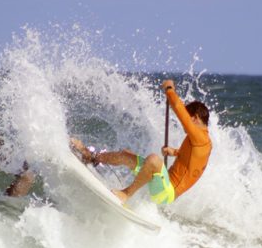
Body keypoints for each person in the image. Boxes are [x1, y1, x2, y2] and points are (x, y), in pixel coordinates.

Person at [71, 80, 212, 204]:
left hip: (166, 193)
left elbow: (178, 108)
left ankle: (126, 194)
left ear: (195, 118)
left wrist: (169, 90)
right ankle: (91, 157)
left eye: (188, 120)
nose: (184, 126)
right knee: (125, 155)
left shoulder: (199, 136)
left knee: (154, 160)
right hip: (162, 181)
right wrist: (174, 151)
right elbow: (192, 161)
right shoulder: (203, 142)